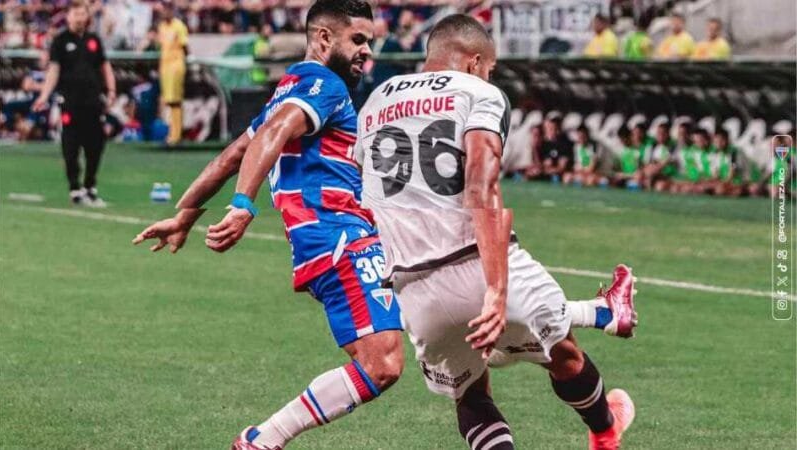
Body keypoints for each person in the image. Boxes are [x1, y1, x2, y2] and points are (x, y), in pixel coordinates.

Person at [133, 4, 635, 449]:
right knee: (402, 361)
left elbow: (239, 148)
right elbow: (276, 134)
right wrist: (242, 204)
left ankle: (603, 312)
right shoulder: (326, 86)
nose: (367, 52)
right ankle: (263, 439)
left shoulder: (335, 92)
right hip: (357, 240)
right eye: (359, 40)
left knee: (466, 370)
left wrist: (187, 210)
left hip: (377, 262)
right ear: (324, 38)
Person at [356, 14, 635, 450]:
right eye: (490, 67)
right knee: (565, 356)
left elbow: (363, 184)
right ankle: (604, 433)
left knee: (470, 392)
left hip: (412, 286)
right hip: (476, 261)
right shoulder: (479, 92)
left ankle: (605, 313)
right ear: (473, 61)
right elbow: (481, 183)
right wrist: (496, 290)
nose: (490, 75)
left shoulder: (376, 100)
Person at [32, 0, 115, 206]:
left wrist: (111, 90)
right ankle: (75, 188)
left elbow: (105, 67)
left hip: (94, 102)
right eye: (75, 14)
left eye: (82, 14)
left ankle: (90, 186)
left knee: (95, 146)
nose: (79, 18)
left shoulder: (94, 40)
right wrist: (43, 96)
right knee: (70, 147)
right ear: (68, 16)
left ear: (87, 16)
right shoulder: (60, 41)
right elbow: (54, 70)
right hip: (70, 102)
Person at [157, 0, 188, 146]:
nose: (165, 11)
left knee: (175, 101)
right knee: (169, 101)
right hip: (165, 67)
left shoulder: (179, 26)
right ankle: (172, 133)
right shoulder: (162, 27)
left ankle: (176, 135)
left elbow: (185, 46)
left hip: (176, 66)